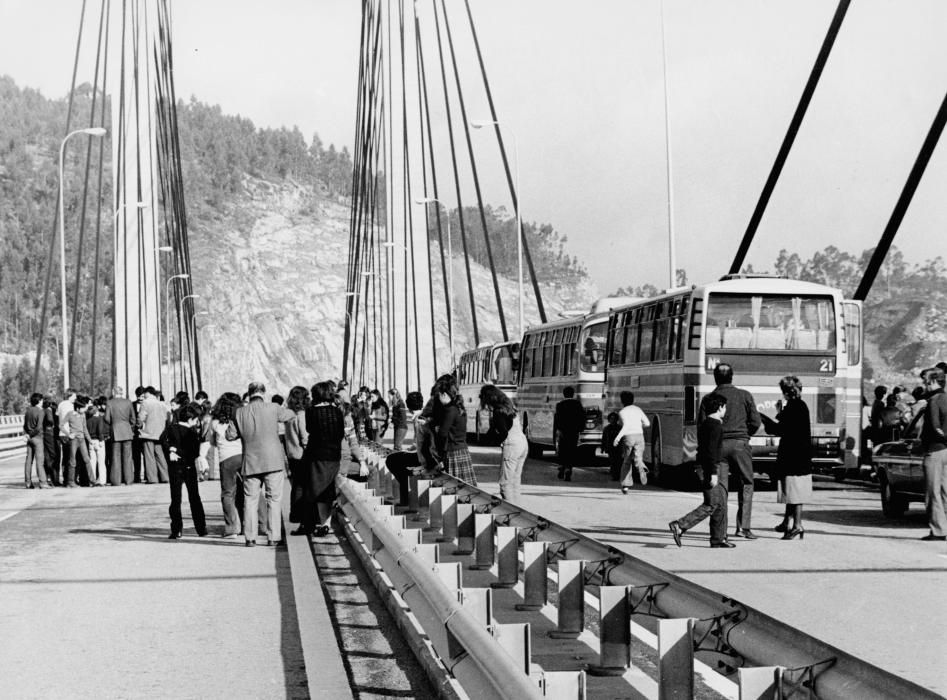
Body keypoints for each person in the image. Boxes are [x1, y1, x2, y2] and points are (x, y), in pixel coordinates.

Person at [699, 363, 761, 539]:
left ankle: (721, 531)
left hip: (718, 447)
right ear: (732, 377)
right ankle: (743, 527)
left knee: (721, 488)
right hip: (740, 444)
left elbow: (702, 426)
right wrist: (745, 435)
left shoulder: (709, 399)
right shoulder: (745, 395)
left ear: (715, 378)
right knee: (746, 484)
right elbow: (756, 421)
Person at [230, 381, 296, 547]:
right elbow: (290, 415)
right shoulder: (273, 408)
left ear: (249, 393)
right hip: (273, 461)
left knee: (250, 501)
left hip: (251, 462)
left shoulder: (239, 412)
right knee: (273, 500)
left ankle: (250, 538)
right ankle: (273, 537)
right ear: (263, 393)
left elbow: (230, 435)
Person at [668, 394, 733, 548]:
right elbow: (710, 452)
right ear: (719, 408)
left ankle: (718, 539)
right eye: (724, 407)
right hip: (709, 468)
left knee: (719, 503)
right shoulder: (715, 426)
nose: (725, 410)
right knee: (711, 504)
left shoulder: (707, 424)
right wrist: (713, 473)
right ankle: (680, 525)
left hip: (704, 466)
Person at [760, 376, 813, 540]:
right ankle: (786, 522)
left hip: (793, 455)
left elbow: (780, 429)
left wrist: (764, 419)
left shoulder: (793, 407)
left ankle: (797, 525)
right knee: (792, 489)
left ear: (786, 392)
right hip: (800, 453)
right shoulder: (800, 405)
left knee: (794, 490)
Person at [293, 381, 345, 537]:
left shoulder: (311, 412)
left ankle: (312, 523)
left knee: (313, 489)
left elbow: (310, 431)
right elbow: (340, 433)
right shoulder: (337, 411)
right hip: (334, 455)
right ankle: (325, 523)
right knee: (327, 488)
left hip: (316, 455)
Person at [206, 392, 252, 538]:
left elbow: (212, 442)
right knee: (248, 492)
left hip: (226, 460)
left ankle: (232, 527)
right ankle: (253, 525)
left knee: (228, 494)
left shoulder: (214, 422)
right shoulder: (240, 418)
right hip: (244, 456)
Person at [161, 403, 207, 539]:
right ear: (191, 419)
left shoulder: (170, 428)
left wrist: (171, 450)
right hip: (188, 466)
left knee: (175, 498)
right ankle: (201, 528)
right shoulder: (192, 433)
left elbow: (162, 440)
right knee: (194, 497)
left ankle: (176, 530)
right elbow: (194, 452)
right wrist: (178, 451)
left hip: (175, 467)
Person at [480, 384, 528, 504]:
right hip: (522, 443)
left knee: (505, 484)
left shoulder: (498, 411)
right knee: (515, 481)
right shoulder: (509, 406)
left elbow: (503, 432)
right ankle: (519, 510)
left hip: (512, 446)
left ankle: (511, 512)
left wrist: (494, 441)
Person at [919, 367, 947, 541]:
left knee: (932, 491)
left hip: (935, 450)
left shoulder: (934, 401)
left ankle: (938, 529)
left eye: (926, 382)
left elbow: (935, 426)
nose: (924, 385)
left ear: (933, 381)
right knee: (945, 491)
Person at [433, 376, 477, 485]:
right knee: (466, 487)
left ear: (444, 394)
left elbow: (442, 433)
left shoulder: (449, 410)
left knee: (454, 488)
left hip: (453, 452)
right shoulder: (459, 408)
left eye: (439, 395)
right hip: (462, 450)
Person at [613, 391, 651, 493]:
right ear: (633, 400)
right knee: (638, 458)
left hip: (628, 437)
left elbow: (626, 426)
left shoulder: (622, 412)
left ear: (622, 400)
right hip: (639, 436)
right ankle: (641, 469)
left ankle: (626, 485)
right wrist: (638, 427)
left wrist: (617, 438)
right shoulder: (638, 409)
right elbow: (647, 423)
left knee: (627, 461)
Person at [283, 385, 310, 526]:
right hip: (302, 455)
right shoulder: (301, 415)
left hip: (292, 454)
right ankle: (300, 514)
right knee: (302, 486)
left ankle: (294, 514)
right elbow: (304, 437)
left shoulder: (289, 414)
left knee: (296, 486)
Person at [105, 386, 138, 485]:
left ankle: (116, 480)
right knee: (128, 457)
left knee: (116, 457)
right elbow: (133, 418)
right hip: (127, 430)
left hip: (115, 431)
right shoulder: (128, 402)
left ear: (113, 392)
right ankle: (129, 480)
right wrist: (130, 427)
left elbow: (106, 418)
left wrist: (113, 424)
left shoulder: (110, 403)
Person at [138, 387, 170, 484]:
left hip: (148, 433)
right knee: (160, 455)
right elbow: (166, 418)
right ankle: (165, 476)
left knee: (149, 456)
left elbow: (141, 417)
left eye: (145, 394)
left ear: (148, 393)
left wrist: (138, 426)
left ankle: (152, 479)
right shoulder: (162, 404)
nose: (144, 396)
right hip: (160, 433)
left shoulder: (146, 403)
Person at [553, 386, 585, 481]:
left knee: (562, 450)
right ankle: (569, 468)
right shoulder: (578, 404)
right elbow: (582, 417)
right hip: (574, 432)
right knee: (571, 449)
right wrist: (580, 429)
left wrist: (557, 430)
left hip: (563, 431)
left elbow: (557, 419)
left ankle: (562, 466)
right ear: (573, 394)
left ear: (564, 394)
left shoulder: (560, 405)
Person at [64, 396, 94, 487]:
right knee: (72, 461)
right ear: (77, 408)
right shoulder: (70, 414)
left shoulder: (83, 415)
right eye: (83, 408)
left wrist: (89, 440)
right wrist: (68, 434)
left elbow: (85, 428)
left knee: (87, 459)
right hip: (73, 440)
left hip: (82, 440)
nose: (85, 409)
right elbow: (61, 425)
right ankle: (70, 482)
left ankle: (92, 480)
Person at [22, 392, 49, 489]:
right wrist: (30, 435)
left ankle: (28, 482)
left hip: (29, 439)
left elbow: (24, 426)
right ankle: (43, 482)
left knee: (29, 461)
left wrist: (27, 434)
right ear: (39, 401)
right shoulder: (40, 411)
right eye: (41, 400)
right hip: (37, 438)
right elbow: (38, 427)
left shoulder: (28, 411)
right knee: (40, 461)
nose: (42, 402)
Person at [86, 398, 109, 486]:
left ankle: (92, 480)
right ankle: (102, 481)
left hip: (90, 441)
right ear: (96, 412)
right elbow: (100, 430)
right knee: (101, 463)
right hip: (98, 441)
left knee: (92, 462)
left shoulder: (88, 420)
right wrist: (101, 440)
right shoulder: (99, 419)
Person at [41, 395, 60, 486]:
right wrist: (52, 424)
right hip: (49, 433)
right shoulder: (48, 410)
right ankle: (53, 478)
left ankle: (47, 476)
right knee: (53, 455)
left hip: (43, 433)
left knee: (46, 455)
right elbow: (50, 420)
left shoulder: (42, 410)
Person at [601, 412, 622, 481]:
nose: (613, 420)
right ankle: (614, 475)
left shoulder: (620, 428)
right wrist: (602, 448)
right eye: (611, 419)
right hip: (610, 448)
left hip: (618, 448)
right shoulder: (606, 429)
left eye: (614, 419)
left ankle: (617, 475)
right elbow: (604, 439)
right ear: (609, 420)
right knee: (612, 461)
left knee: (618, 462)